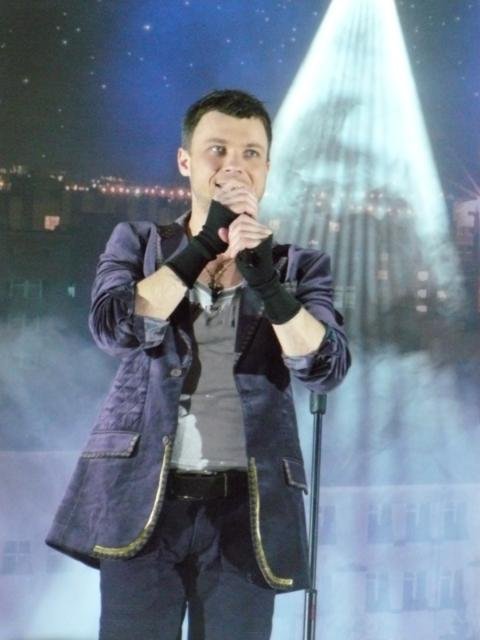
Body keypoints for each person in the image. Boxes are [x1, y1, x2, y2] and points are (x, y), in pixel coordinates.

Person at [46, 89, 351, 640]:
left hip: (247, 513)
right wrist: (204, 243)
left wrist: (267, 282)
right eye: (218, 150)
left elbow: (324, 366)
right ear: (185, 161)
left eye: (251, 153)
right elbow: (114, 329)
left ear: (267, 168)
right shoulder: (138, 243)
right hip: (143, 503)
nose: (234, 166)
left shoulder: (299, 266)